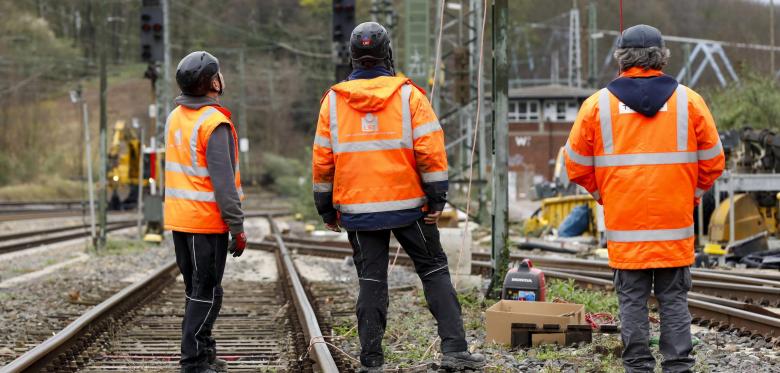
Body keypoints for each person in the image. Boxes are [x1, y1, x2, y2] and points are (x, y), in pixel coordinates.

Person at [311, 22, 486, 373]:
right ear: (387, 53)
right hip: (410, 206)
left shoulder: (333, 102)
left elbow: (322, 161)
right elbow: (431, 153)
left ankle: (372, 361)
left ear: (352, 56)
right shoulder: (410, 97)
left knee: (371, 280)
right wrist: (437, 200)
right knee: (434, 270)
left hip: (359, 210)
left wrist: (326, 209)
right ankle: (454, 351)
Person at [565, 25, 724, 373]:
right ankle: (678, 364)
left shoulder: (597, 105)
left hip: (625, 225)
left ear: (621, 58)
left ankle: (637, 365)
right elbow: (714, 162)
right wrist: (692, 195)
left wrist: (603, 193)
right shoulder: (690, 101)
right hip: (675, 222)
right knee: (674, 299)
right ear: (662, 56)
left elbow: (575, 165)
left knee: (632, 299)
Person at [164, 51, 247, 373]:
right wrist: (237, 227)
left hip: (180, 220)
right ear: (214, 82)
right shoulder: (215, 123)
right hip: (205, 221)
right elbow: (224, 185)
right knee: (206, 290)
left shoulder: (175, 117)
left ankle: (204, 353)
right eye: (220, 74)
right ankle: (193, 361)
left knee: (198, 289)